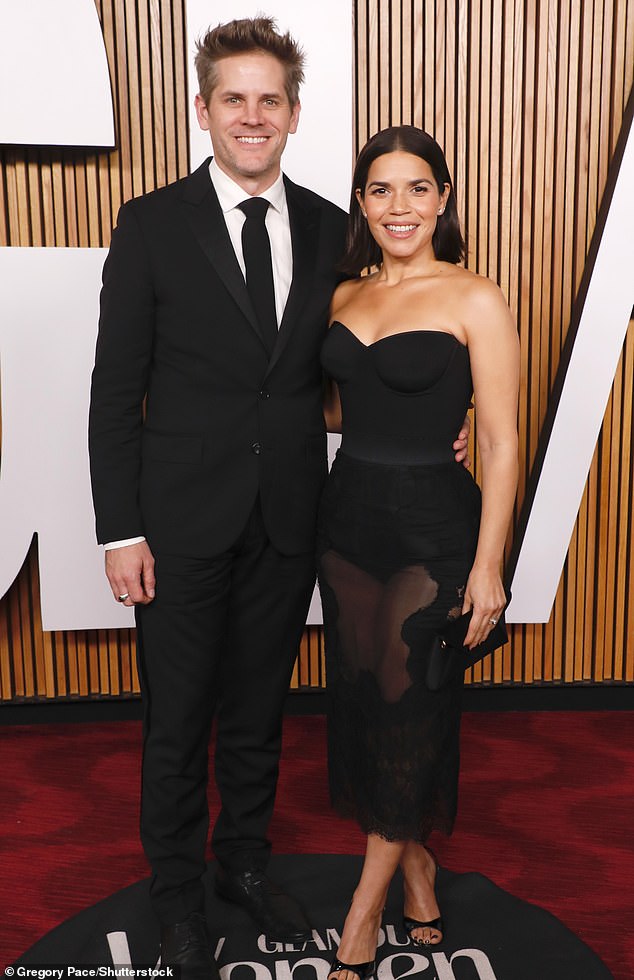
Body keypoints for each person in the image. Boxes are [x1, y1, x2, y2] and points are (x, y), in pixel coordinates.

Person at [89, 16, 470, 975]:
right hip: (176, 522)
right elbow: (112, 389)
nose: (252, 116)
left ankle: (243, 863)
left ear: (295, 114)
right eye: (234, 99)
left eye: (270, 100)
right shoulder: (150, 224)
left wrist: (438, 419)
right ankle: (176, 895)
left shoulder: (325, 227)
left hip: (291, 516)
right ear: (204, 110)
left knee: (260, 708)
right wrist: (118, 529)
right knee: (177, 717)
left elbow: (346, 361)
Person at [317, 126, 520, 979]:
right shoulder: (341, 298)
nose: (399, 206)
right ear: (362, 203)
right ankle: (419, 873)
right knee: (365, 705)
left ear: (442, 198)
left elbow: (505, 442)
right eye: (380, 190)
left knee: (411, 708)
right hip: (347, 523)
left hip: (434, 531)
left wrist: (489, 566)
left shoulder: (476, 298)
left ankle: (362, 918)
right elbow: (338, 410)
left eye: (417, 188)